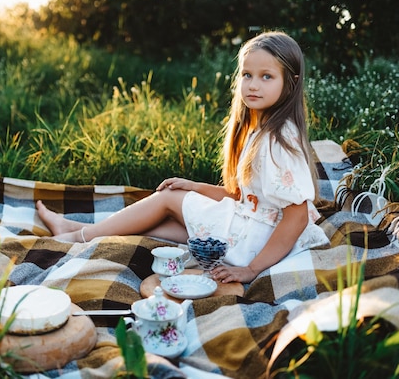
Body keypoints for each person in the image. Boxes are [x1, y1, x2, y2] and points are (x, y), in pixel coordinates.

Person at [36, 31, 329, 284]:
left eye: (267, 77)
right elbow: (244, 197)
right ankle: (79, 229)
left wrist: (251, 270)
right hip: (250, 228)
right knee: (158, 222)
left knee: (166, 201)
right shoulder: (261, 128)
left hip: (260, 244)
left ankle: (78, 236)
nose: (253, 85)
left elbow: (297, 215)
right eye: (247, 75)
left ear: (290, 82)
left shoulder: (279, 139)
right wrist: (195, 186)